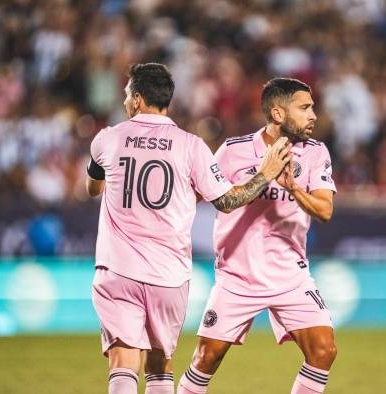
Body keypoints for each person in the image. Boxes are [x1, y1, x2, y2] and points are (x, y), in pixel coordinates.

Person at [86, 63, 291, 394]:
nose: (125, 100)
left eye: (127, 94)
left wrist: (104, 183)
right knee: (159, 366)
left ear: (137, 99)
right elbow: (227, 201)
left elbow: (92, 187)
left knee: (123, 363)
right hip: (169, 276)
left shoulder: (108, 139)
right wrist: (265, 174)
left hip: (118, 269)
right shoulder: (191, 146)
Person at [177, 78, 337, 394]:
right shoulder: (233, 152)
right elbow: (199, 196)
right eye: (304, 108)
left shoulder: (315, 153)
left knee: (324, 350)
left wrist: (292, 186)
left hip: (291, 275)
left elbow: (325, 210)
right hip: (238, 277)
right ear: (278, 114)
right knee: (206, 357)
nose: (313, 115)